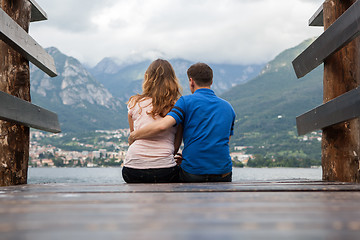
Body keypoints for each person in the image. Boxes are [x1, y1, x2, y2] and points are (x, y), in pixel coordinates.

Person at [129, 63, 235, 182]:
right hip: (223, 172)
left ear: (191, 81)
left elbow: (163, 125)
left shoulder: (185, 102)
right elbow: (225, 140)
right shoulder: (228, 107)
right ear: (211, 81)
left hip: (193, 172)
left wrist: (134, 135)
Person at [122, 59, 183, 183]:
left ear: (147, 78)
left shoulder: (134, 104)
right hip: (165, 170)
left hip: (132, 170)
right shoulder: (177, 106)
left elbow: (133, 139)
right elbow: (176, 146)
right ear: (172, 80)